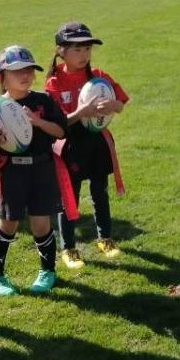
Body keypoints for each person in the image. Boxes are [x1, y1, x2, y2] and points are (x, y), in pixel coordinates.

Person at [0, 46, 67, 296]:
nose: (25, 75)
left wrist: (38, 122)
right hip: (12, 172)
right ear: (1, 77)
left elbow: (61, 131)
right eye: (17, 71)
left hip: (42, 169)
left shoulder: (43, 101)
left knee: (41, 223)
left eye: (29, 69)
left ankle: (48, 271)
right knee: (8, 223)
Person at [45, 22, 128, 269]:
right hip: (70, 144)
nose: (84, 55)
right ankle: (69, 248)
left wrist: (113, 106)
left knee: (100, 192)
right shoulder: (54, 82)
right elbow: (57, 122)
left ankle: (105, 238)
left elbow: (121, 104)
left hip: (96, 142)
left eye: (88, 49)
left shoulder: (99, 76)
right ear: (61, 51)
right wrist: (82, 112)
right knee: (69, 198)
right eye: (77, 50)